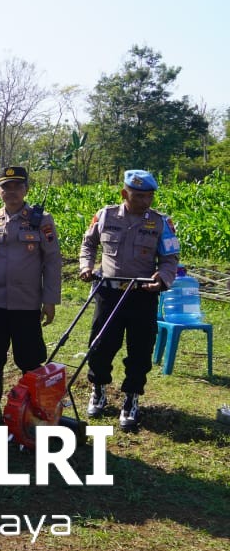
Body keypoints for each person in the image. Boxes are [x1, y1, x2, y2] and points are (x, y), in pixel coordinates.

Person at [78, 169, 179, 431]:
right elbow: (88, 244)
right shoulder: (105, 215)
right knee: (100, 347)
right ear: (125, 193)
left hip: (142, 295)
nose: (146, 201)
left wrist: (163, 278)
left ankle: (131, 399)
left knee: (140, 351)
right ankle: (98, 390)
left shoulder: (160, 223)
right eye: (139, 196)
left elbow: (170, 259)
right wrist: (87, 266)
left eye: (149, 196)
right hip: (109, 293)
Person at [0, 166, 62, 429]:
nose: (11, 192)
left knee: (30, 360)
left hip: (27, 304)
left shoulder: (41, 220)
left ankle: (31, 416)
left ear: (26, 190)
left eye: (17, 186)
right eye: (5, 187)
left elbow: (52, 261)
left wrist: (50, 300)